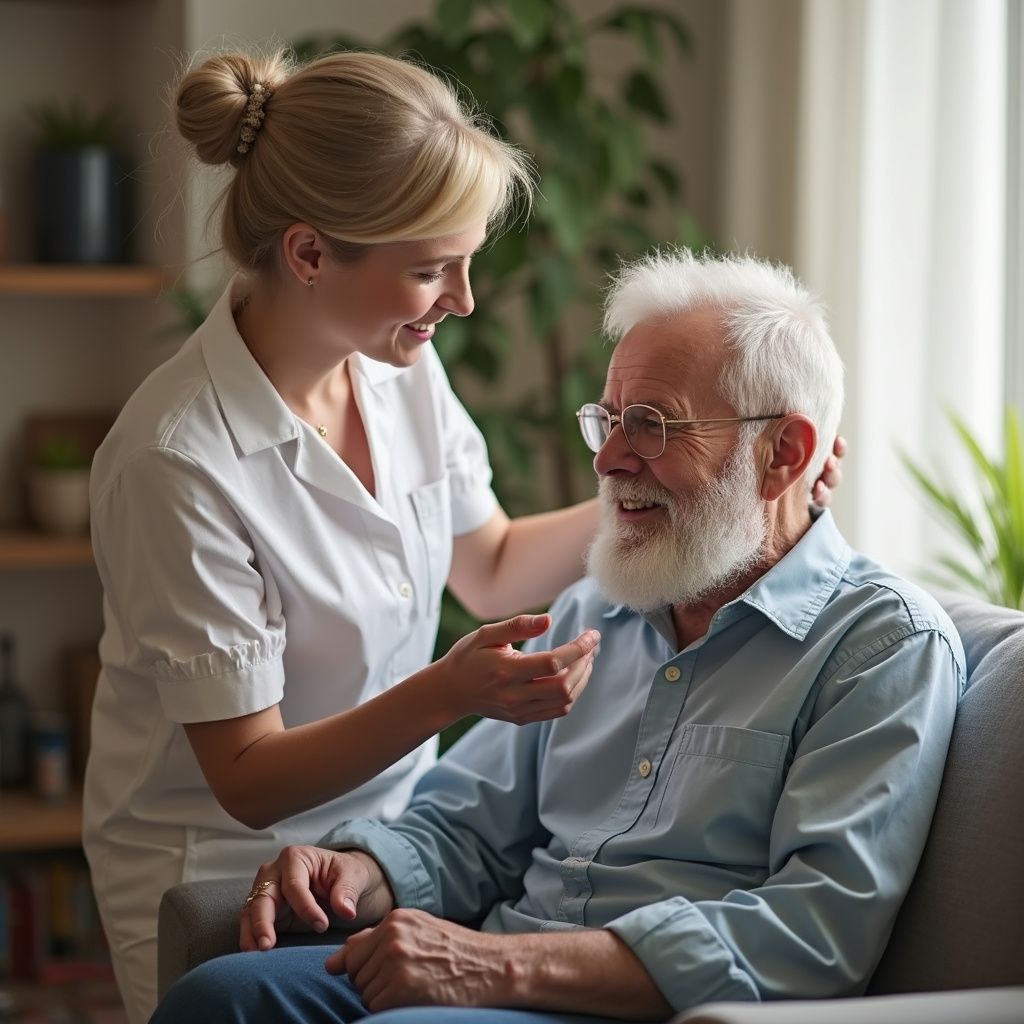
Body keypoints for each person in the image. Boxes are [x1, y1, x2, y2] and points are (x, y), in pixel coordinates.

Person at [151, 250, 960, 1024]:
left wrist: (496, 967)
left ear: (784, 454)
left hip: (638, 1005)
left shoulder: (881, 647)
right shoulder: (594, 611)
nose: (608, 461)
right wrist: (357, 870)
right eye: (608, 420)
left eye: (651, 426)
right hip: (495, 969)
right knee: (219, 1000)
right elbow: (468, 830)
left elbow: (812, 934)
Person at [84, 48, 609, 1024]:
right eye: (430, 270)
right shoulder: (177, 459)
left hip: (389, 851)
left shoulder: (401, 369)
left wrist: (667, 493)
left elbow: (491, 566)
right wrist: (449, 691)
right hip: (221, 873)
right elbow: (248, 777)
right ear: (311, 254)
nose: (463, 299)